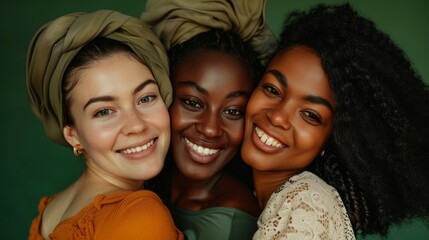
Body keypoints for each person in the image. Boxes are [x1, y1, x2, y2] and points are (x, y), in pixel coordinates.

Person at [241, 3, 429, 239]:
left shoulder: (307, 205)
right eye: (272, 89)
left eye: (311, 115)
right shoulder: (250, 194)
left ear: (332, 139)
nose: (278, 116)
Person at [26, 10, 183, 239]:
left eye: (146, 98)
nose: (136, 125)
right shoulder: (138, 215)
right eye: (104, 111)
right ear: (73, 134)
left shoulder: (51, 210)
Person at [141, 1, 277, 239]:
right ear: (165, 95)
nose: (211, 129)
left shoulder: (229, 224)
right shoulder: (141, 179)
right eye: (193, 103)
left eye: (233, 111)